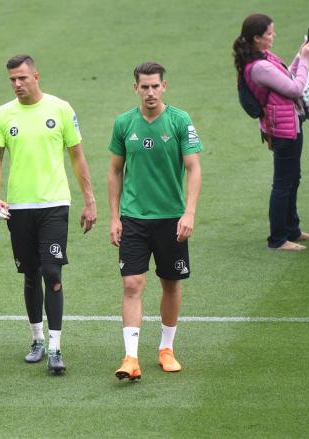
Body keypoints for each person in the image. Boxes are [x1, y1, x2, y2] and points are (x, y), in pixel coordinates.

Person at [0, 54, 97, 375]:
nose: (17, 84)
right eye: (12, 79)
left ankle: (55, 347)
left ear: (36, 76)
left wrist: (89, 200)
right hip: (19, 208)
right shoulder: (3, 114)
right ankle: (36, 338)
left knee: (52, 272)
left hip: (54, 205)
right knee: (30, 274)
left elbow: (77, 156)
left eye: (22, 78)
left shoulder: (60, 108)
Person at [107, 62, 202, 381]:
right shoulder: (124, 123)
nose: (150, 92)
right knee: (132, 283)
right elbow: (115, 171)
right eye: (144, 86)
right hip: (134, 218)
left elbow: (193, 168)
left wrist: (188, 212)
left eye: (155, 86)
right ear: (135, 88)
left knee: (170, 283)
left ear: (164, 86)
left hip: (171, 219)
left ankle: (166, 349)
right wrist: (114, 216)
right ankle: (131, 357)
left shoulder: (179, 121)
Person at [233, 13, 309, 251]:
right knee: (283, 184)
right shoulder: (259, 66)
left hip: (288, 125)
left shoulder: (262, 58)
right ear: (257, 38)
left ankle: (293, 229)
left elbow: (286, 75)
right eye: (269, 33)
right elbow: (295, 88)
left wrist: (299, 57)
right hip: (282, 130)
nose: (273, 36)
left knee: (293, 179)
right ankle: (278, 239)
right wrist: (307, 61)